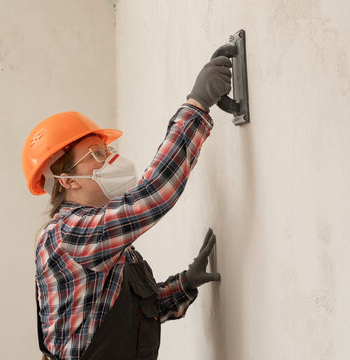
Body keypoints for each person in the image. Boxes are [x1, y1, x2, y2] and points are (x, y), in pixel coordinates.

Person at [21, 55, 232, 360]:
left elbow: (137, 315)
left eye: (107, 149)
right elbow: (153, 195)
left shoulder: (105, 242)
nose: (109, 158)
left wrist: (184, 284)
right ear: (67, 180)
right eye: (96, 153)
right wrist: (196, 105)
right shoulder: (69, 234)